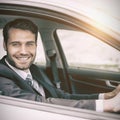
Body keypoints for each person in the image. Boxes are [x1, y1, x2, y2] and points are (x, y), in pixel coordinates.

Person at [0, 18, 120, 113]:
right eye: (16, 44)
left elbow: (60, 96)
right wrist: (107, 105)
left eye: (29, 44)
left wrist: (105, 96)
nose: (24, 51)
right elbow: (37, 102)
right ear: (5, 45)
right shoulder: (2, 75)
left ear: (36, 45)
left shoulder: (33, 69)